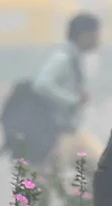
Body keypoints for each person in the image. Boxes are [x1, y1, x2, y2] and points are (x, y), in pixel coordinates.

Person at [32, 12, 103, 175]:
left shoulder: (74, 58)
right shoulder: (62, 58)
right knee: (48, 184)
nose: (99, 39)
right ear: (84, 35)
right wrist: (72, 100)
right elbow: (42, 85)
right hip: (56, 135)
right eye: (96, 34)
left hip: (71, 131)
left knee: (104, 170)